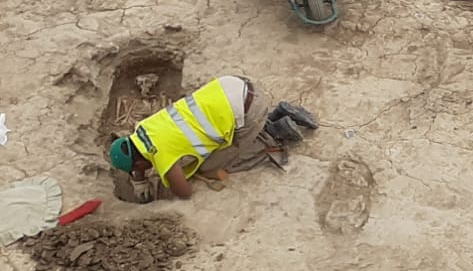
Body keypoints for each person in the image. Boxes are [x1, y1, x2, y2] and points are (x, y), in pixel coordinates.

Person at [105, 76, 316, 201]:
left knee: (211, 167)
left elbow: (184, 193)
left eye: (137, 168)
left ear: (139, 161)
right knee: (215, 133)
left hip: (249, 110)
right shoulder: (143, 127)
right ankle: (277, 113)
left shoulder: (162, 156)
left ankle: (277, 131)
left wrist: (150, 182)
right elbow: (140, 154)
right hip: (235, 85)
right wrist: (138, 175)